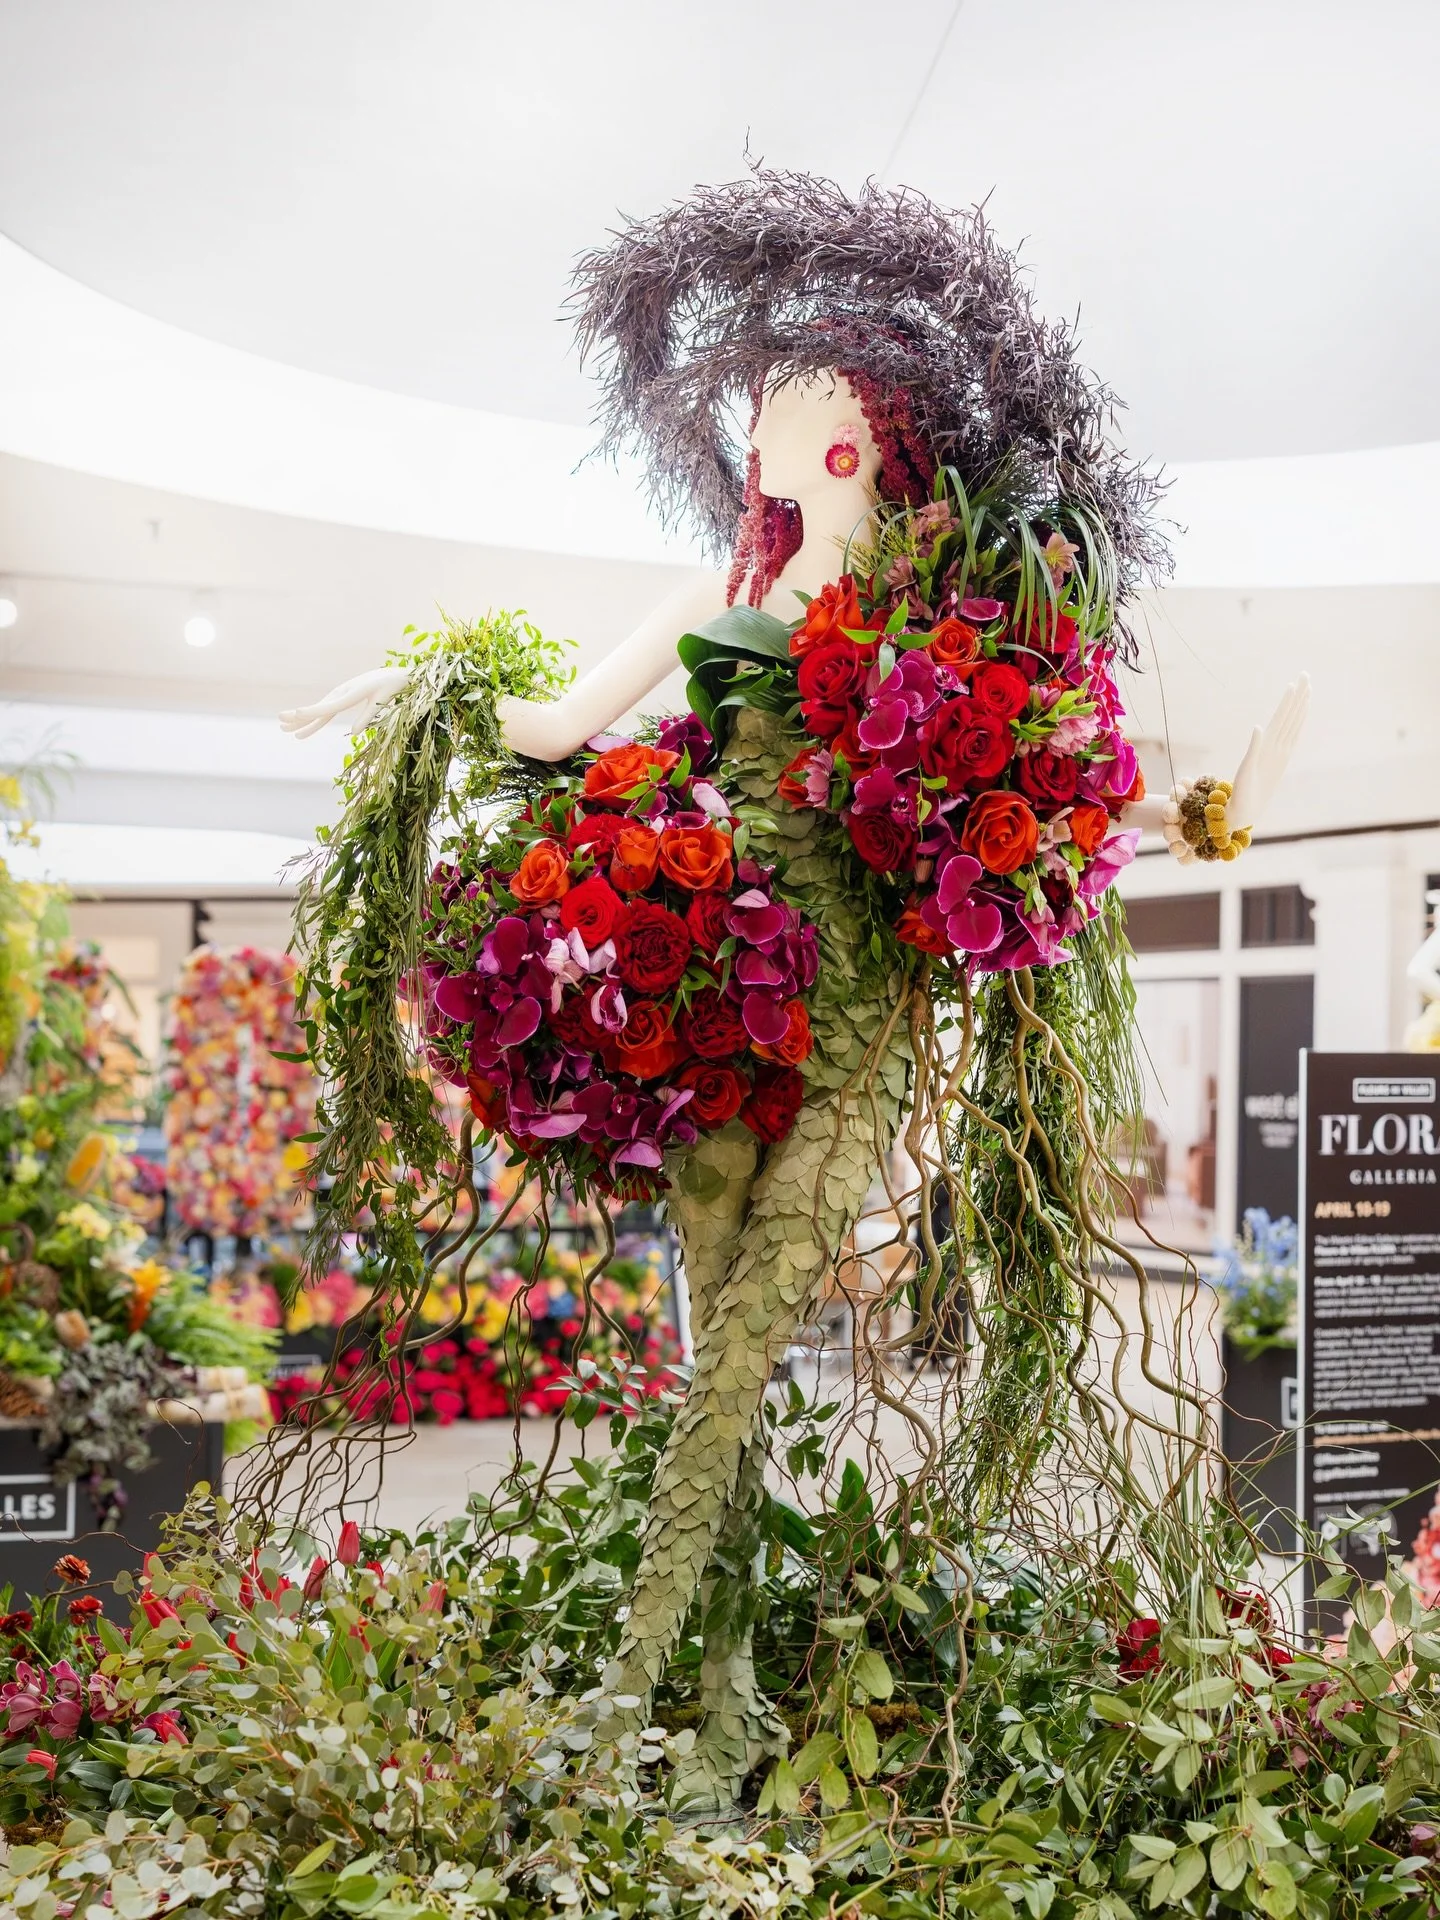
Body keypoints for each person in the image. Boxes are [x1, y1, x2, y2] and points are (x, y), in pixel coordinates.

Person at [281, 173, 1308, 1811]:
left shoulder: (944, 619)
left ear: (877, 443)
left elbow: (1052, 801)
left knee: (750, 1331)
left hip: (868, 1019)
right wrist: (414, 700)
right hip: (711, 1004)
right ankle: (722, 1683)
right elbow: (560, 728)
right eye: (768, 418)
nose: (782, 441)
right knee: (723, 1348)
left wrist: (1215, 809)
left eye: (819, 418)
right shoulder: (718, 598)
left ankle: (640, 1690)